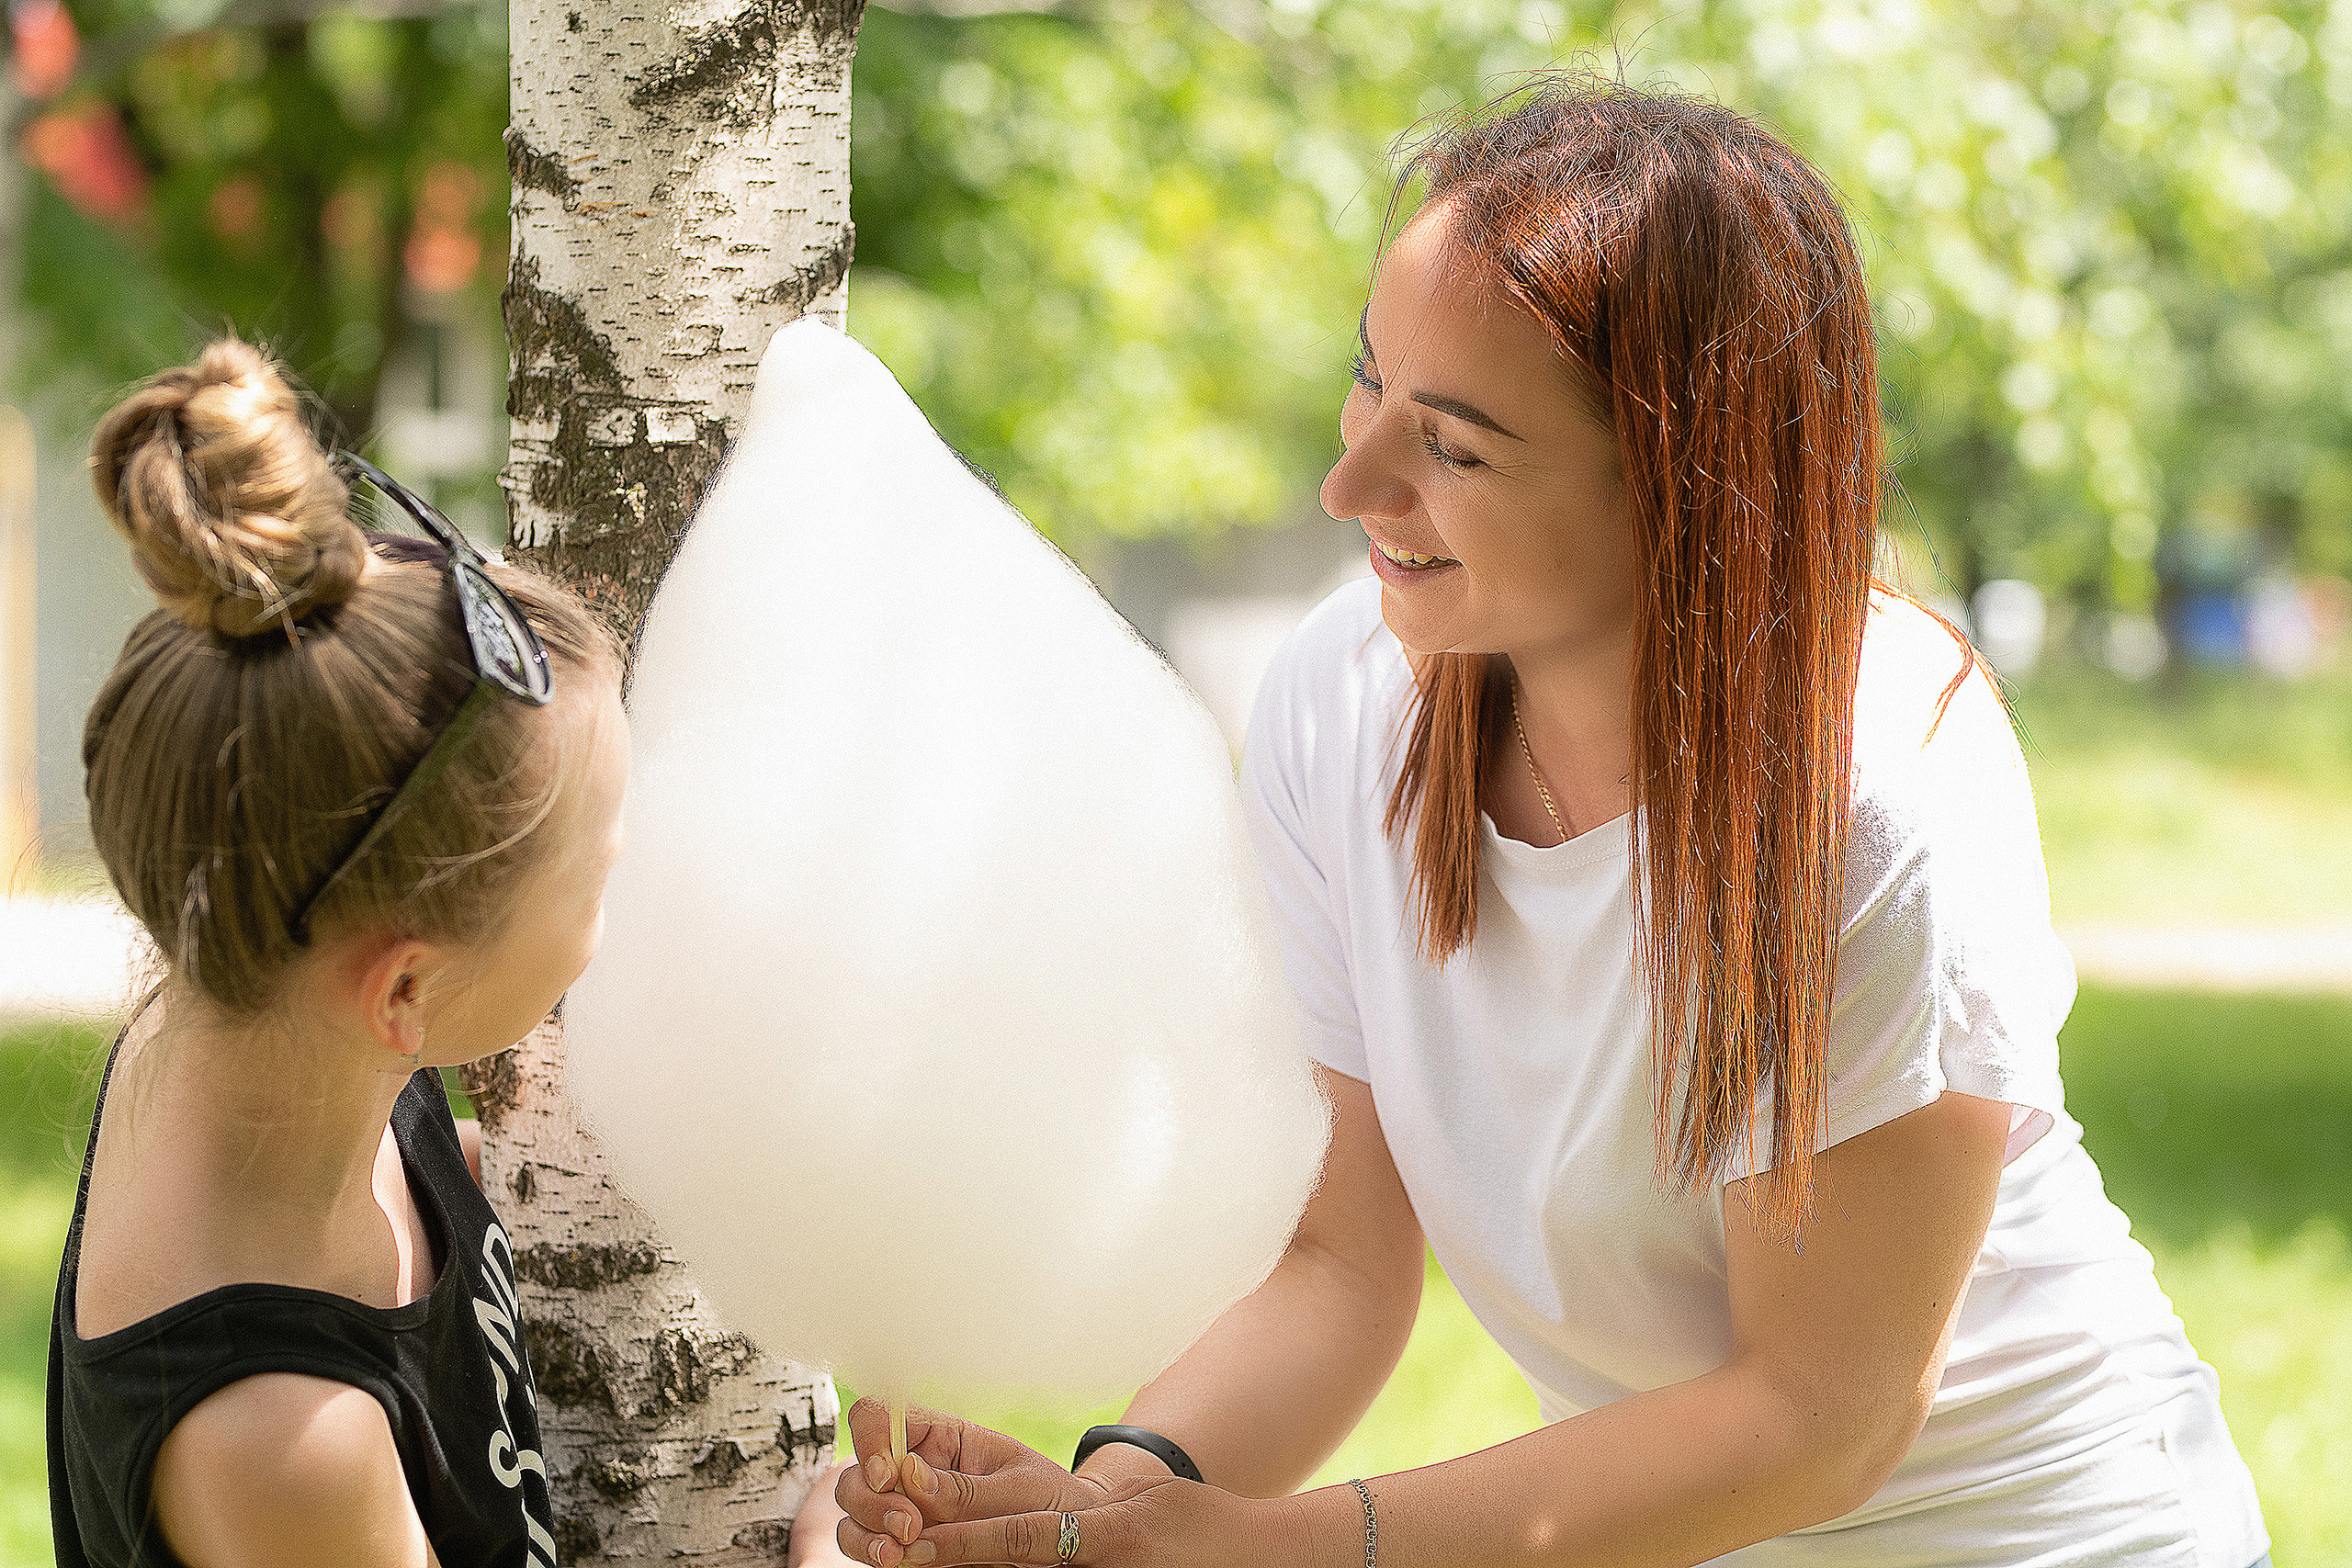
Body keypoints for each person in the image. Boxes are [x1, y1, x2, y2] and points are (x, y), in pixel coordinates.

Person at [830, 76, 2273, 1568]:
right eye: (1367, 382)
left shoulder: (1875, 785)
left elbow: (1821, 1416)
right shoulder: (1351, 696)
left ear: (1684, 487)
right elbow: (1335, 1262)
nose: (1350, 482)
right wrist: (1121, 1504)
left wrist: (1253, 1551)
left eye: (1452, 448)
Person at [45, 339, 627, 1568]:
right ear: (405, 989)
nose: (618, 913)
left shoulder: (268, 1017)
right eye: (596, 878)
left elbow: (422, 1189)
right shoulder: (285, 1445)